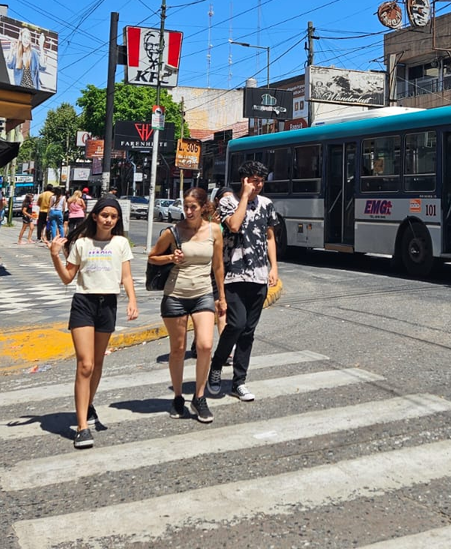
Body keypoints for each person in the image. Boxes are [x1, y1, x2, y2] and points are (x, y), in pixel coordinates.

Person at [49, 195, 138, 450]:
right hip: (84, 304)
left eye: (113, 216)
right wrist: (55, 255)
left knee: (98, 362)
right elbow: (67, 278)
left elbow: (126, 276)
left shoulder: (121, 243)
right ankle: (82, 428)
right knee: (85, 364)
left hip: (108, 304)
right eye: (105, 215)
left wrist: (132, 300)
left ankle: (87, 404)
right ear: (95, 216)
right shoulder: (81, 243)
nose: (109, 220)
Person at [149, 188, 226, 423]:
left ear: (203, 207)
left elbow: (218, 266)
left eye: (193, 207)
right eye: (186, 206)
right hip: (175, 295)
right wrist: (170, 258)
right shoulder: (173, 231)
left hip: (203, 293)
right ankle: (178, 397)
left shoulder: (214, 230)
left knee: (205, 345)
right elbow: (152, 256)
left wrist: (222, 297)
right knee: (178, 349)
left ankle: (199, 397)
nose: (189, 211)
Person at [207, 160, 279, 402]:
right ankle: (217, 365)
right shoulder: (228, 202)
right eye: (253, 181)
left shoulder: (267, 204)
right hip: (233, 275)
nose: (258, 185)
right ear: (244, 180)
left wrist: (274, 267)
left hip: (258, 276)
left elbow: (270, 237)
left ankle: (239, 382)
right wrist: (245, 197)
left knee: (248, 331)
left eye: (261, 181)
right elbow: (235, 226)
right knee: (236, 324)